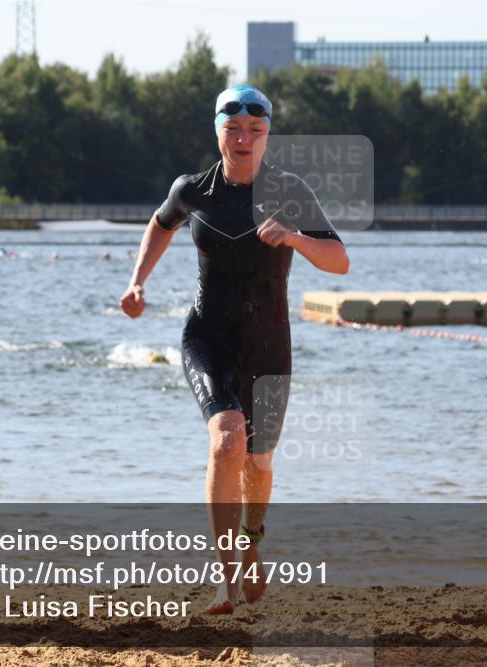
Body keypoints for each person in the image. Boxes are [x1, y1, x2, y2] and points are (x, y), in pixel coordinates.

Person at [120, 83, 349, 614]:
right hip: (208, 334)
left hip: (270, 342)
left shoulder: (290, 192)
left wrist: (294, 237)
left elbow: (339, 260)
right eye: (234, 129)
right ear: (218, 131)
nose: (244, 139)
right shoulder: (192, 189)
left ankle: (250, 549)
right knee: (228, 441)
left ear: (267, 135)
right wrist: (137, 282)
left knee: (259, 463)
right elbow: (160, 224)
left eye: (255, 130)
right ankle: (225, 577)